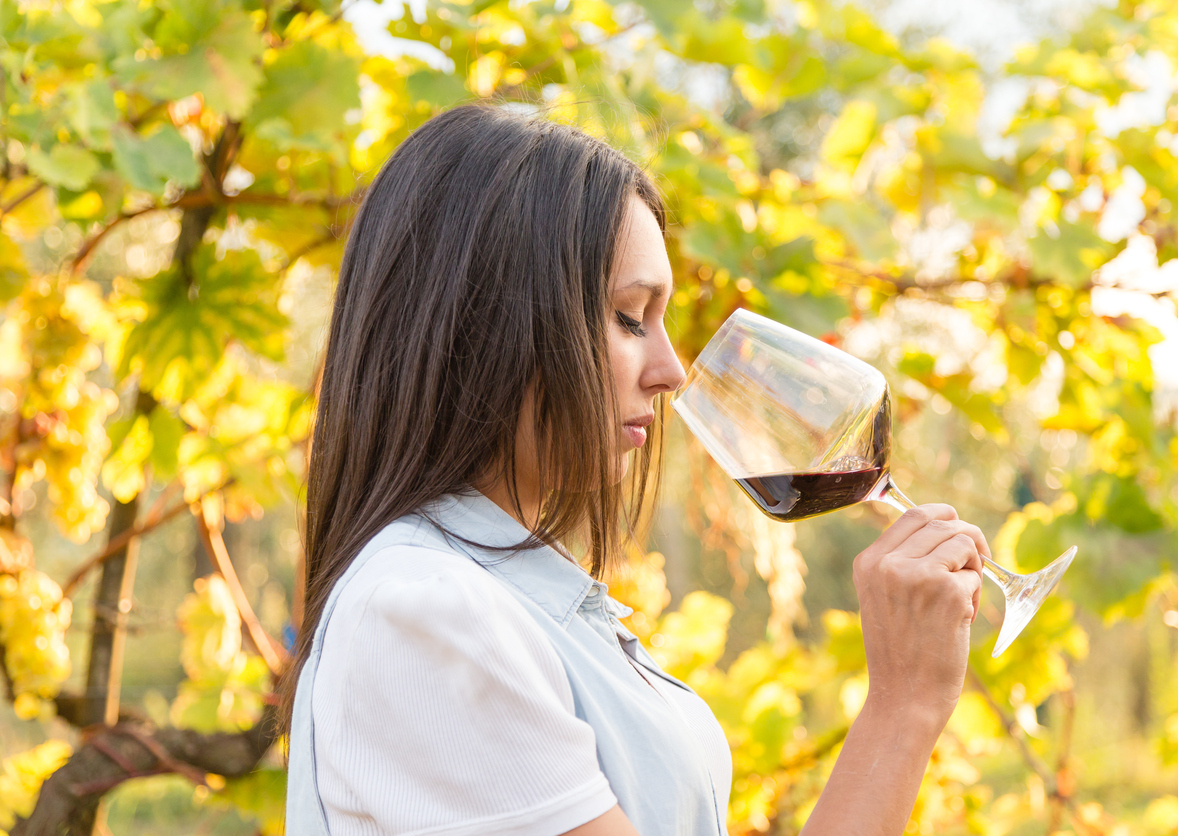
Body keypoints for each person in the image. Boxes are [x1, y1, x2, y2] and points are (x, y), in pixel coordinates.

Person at [281, 103, 989, 836]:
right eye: (628, 317)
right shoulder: (426, 615)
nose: (672, 370)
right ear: (488, 321)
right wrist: (903, 706)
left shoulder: (520, 599)